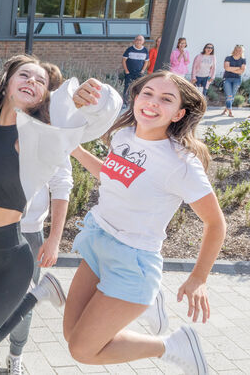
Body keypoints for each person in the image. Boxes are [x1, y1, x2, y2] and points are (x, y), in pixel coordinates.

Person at [0, 55, 122, 375]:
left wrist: (85, 95)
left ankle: (40, 293)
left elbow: (89, 113)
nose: (32, 81)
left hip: (9, 257)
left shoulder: (41, 136)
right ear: (7, 82)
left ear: (45, 96)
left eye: (40, 81)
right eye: (25, 75)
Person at [64, 71, 226, 375]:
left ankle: (173, 345)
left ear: (178, 114)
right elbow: (113, 176)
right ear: (136, 98)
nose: (152, 102)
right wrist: (76, 150)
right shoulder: (123, 136)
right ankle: (150, 303)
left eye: (166, 99)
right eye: (147, 93)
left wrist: (198, 278)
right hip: (99, 242)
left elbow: (216, 224)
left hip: (132, 260)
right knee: (71, 334)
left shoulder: (180, 163)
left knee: (82, 349)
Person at [0, 163, 73, 374]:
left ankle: (15, 356)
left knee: (23, 300)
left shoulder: (52, 139)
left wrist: (55, 239)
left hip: (29, 231)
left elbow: (61, 183)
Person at [121, 35, 149, 102]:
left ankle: (136, 102)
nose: (138, 41)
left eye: (140, 40)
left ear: (143, 41)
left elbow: (146, 62)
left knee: (139, 88)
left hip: (139, 73)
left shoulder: (145, 50)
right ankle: (125, 102)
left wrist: (143, 71)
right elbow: (123, 61)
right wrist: (126, 71)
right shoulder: (129, 49)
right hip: (129, 72)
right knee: (127, 87)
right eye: (137, 39)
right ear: (134, 41)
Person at [222, 45, 246, 117]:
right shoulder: (228, 58)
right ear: (234, 50)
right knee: (229, 95)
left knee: (232, 95)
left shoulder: (243, 59)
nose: (238, 51)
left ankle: (226, 109)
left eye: (240, 50)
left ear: (242, 51)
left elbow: (242, 71)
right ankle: (230, 111)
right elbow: (226, 68)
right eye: (237, 50)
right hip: (227, 79)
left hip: (237, 79)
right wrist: (238, 68)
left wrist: (231, 69)